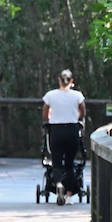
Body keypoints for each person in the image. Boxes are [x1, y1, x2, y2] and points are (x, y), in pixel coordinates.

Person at [42, 70, 87, 203]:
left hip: (56, 130)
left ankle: (59, 185)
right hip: (72, 130)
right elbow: (83, 110)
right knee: (69, 164)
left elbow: (45, 113)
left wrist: (51, 118)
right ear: (71, 81)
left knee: (56, 163)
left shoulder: (50, 95)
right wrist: (76, 117)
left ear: (59, 80)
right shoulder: (77, 95)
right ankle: (68, 196)